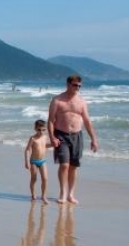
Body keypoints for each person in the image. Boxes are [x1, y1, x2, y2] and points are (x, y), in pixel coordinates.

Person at [48, 75, 98, 204]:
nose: (78, 88)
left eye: (80, 86)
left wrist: (94, 139)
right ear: (68, 84)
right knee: (64, 165)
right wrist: (52, 137)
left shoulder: (81, 102)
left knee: (73, 166)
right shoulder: (57, 100)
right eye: (75, 85)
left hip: (77, 136)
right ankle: (63, 193)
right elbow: (50, 121)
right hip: (61, 135)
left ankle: (71, 194)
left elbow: (87, 121)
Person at [24, 119, 51, 204]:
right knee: (34, 178)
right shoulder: (32, 138)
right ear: (35, 129)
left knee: (45, 178)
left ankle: (43, 196)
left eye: (43, 130)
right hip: (33, 161)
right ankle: (33, 195)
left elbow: (45, 145)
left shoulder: (45, 137)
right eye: (39, 130)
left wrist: (53, 144)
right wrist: (27, 162)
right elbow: (27, 150)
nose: (41, 132)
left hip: (42, 161)